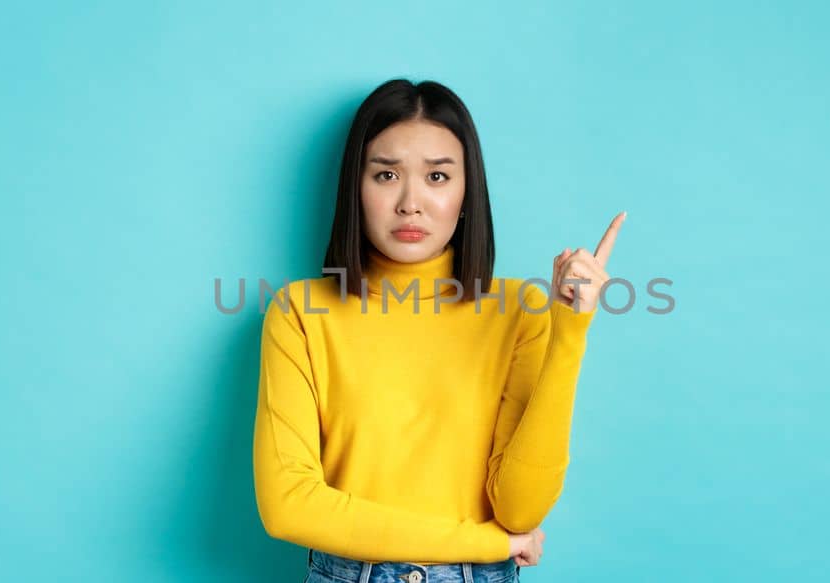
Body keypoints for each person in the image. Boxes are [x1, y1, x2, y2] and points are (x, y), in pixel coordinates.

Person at [252, 78, 623, 583]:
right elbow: (289, 506)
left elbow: (519, 509)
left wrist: (571, 331)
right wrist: (488, 543)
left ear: (467, 191)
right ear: (355, 189)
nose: (410, 203)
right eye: (385, 175)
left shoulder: (520, 309)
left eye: (438, 177)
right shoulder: (299, 312)